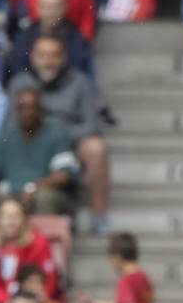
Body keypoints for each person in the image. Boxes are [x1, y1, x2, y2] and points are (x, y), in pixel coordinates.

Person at [9, 35, 110, 233]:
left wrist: (57, 134)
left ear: (63, 57)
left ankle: (98, 216)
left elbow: (92, 125)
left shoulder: (80, 81)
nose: (48, 61)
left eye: (53, 56)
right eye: (42, 55)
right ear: (33, 57)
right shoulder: (20, 83)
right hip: (32, 140)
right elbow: (11, 125)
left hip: (70, 142)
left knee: (96, 148)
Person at [0, 89, 79, 217]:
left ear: (41, 110)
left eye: (31, 108)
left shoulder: (56, 134)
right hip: (15, 193)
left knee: (44, 197)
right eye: (22, 108)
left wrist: (34, 188)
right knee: (1, 199)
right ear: (16, 111)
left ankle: (45, 237)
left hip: (50, 194)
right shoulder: (6, 136)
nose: (27, 113)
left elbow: (64, 175)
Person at [0, 198, 62, 303]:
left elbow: (50, 280)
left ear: (23, 219)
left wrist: (32, 301)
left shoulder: (39, 243)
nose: (11, 220)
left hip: (35, 300)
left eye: (15, 215)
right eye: (6, 216)